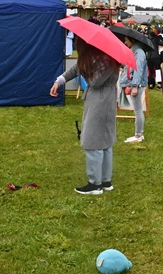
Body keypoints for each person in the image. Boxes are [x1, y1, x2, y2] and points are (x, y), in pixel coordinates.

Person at [51, 38, 122, 195]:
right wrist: (59, 81)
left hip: (102, 100)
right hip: (99, 100)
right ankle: (104, 181)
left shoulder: (108, 60)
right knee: (103, 141)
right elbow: (75, 69)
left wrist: (83, 70)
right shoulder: (96, 56)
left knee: (94, 140)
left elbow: (95, 82)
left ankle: (95, 183)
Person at [118, 36, 149, 144]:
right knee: (137, 110)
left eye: (126, 40)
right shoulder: (135, 52)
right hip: (135, 84)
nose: (125, 42)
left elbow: (138, 70)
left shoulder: (139, 53)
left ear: (133, 40)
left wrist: (135, 86)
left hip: (137, 85)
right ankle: (138, 134)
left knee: (137, 111)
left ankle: (138, 135)